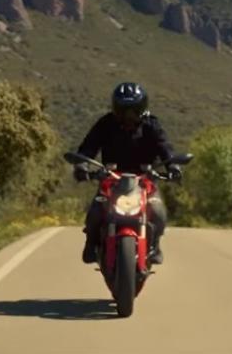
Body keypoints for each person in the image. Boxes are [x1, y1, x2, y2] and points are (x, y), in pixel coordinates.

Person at [74, 82, 180, 265]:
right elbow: (88, 147)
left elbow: (165, 147)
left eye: (134, 110)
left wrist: (174, 166)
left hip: (144, 179)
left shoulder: (152, 125)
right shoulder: (105, 123)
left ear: (143, 108)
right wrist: (82, 165)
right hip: (111, 178)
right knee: (96, 211)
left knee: (158, 211)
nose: (129, 116)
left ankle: (154, 245)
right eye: (124, 110)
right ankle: (91, 243)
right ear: (116, 109)